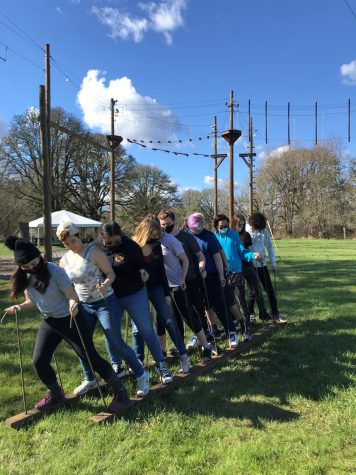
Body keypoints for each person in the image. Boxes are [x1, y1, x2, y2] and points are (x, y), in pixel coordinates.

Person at [3, 236, 128, 413]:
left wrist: (72, 303)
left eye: (33, 263)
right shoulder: (27, 277)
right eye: (26, 266)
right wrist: (19, 307)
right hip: (50, 321)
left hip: (70, 319)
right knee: (39, 361)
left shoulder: (55, 272)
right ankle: (55, 393)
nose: (32, 268)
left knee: (90, 358)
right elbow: (31, 301)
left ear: (39, 257)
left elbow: (71, 294)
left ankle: (121, 393)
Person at [57, 221, 149, 397]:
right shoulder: (65, 260)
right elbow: (67, 285)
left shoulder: (94, 252)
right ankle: (89, 378)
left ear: (79, 236)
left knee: (115, 341)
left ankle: (141, 374)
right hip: (83, 305)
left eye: (73, 241)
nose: (71, 246)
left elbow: (111, 274)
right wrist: (71, 300)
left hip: (105, 302)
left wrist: (105, 285)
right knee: (82, 342)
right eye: (66, 244)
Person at [97, 222, 173, 384]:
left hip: (134, 293)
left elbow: (142, 266)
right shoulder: (96, 248)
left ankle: (161, 364)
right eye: (109, 243)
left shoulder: (131, 246)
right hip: (110, 297)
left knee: (146, 329)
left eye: (116, 241)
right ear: (101, 238)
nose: (113, 245)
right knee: (111, 333)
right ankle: (117, 366)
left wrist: (143, 272)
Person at [152, 214, 212, 363]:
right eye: (162, 224)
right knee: (168, 320)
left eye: (168, 224)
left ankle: (206, 346)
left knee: (189, 316)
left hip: (179, 283)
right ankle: (174, 350)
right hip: (163, 286)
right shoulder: (153, 242)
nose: (165, 227)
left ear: (174, 222)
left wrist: (182, 278)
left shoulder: (173, 240)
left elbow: (185, 260)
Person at [133, 217, 190, 372]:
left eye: (157, 235)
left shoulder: (157, 246)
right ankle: (138, 360)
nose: (156, 238)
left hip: (157, 287)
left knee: (168, 321)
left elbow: (161, 272)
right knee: (138, 327)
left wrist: (166, 293)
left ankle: (183, 355)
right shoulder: (134, 247)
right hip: (138, 290)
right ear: (144, 233)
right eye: (153, 235)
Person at [186, 213, 238, 348]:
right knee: (200, 309)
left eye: (200, 226)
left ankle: (231, 332)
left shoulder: (209, 236)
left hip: (212, 275)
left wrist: (221, 275)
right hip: (194, 278)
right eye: (194, 228)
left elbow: (217, 257)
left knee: (219, 305)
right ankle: (202, 336)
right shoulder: (187, 236)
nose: (197, 230)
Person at [214, 214, 260, 340]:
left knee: (240, 301)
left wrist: (251, 255)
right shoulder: (214, 237)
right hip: (222, 273)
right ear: (216, 226)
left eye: (226, 225)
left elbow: (241, 252)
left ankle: (247, 329)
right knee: (226, 302)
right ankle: (232, 326)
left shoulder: (234, 235)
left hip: (236, 272)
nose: (224, 228)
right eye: (221, 226)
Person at [245, 212, 287, 323]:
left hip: (262, 265)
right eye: (257, 228)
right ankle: (250, 314)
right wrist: (252, 256)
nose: (259, 230)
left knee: (270, 290)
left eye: (260, 228)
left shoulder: (264, 231)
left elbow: (269, 247)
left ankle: (275, 312)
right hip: (250, 266)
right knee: (252, 292)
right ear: (252, 224)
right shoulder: (246, 230)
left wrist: (273, 264)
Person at [232, 213, 271, 322]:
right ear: (234, 223)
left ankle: (263, 314)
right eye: (238, 224)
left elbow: (249, 250)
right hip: (236, 267)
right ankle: (244, 318)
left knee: (256, 289)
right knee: (239, 295)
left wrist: (255, 256)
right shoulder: (230, 235)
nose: (240, 226)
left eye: (242, 224)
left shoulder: (246, 235)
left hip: (248, 265)